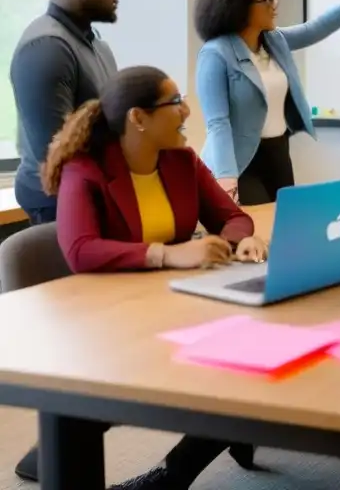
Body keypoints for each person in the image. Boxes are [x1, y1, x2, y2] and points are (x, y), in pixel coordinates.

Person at [39, 66, 265, 490]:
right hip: (108, 320)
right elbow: (80, 248)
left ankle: (171, 475)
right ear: (137, 118)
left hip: (175, 301)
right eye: (174, 102)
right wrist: (167, 254)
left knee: (251, 356)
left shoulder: (182, 160)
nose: (186, 111)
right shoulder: (85, 169)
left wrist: (241, 242)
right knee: (234, 369)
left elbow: (232, 217)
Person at [194, 0, 340, 206]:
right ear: (238, 8)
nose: (274, 5)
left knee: (284, 226)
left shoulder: (273, 40)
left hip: (277, 153)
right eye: (265, 0)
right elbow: (217, 123)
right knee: (255, 230)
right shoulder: (216, 54)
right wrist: (226, 179)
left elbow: (315, 29)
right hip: (239, 162)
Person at [9, 0, 120, 227]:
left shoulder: (96, 44)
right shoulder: (47, 47)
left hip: (98, 191)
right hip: (61, 202)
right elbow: (58, 153)